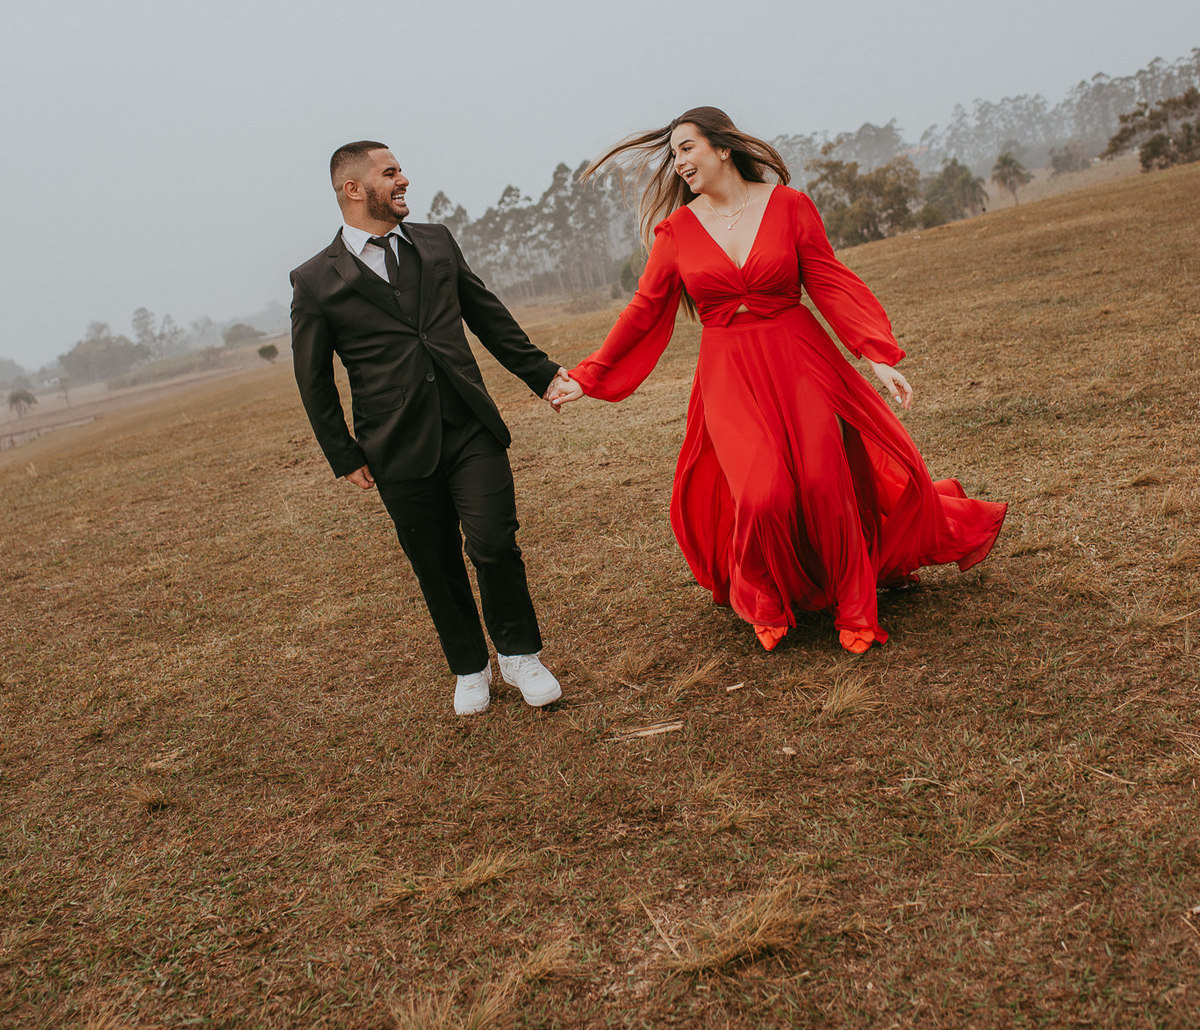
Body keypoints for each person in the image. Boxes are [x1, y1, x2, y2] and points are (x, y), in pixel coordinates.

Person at [546, 108, 1006, 655]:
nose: (679, 161)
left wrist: (876, 353)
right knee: (763, 494)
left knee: (823, 485)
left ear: (722, 148)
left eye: (687, 148)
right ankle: (764, 597)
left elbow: (829, 280)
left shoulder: (789, 206)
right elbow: (644, 311)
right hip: (728, 373)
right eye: (673, 153)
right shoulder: (676, 231)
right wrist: (588, 375)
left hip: (801, 359)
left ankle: (856, 607)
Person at [291, 141, 566, 715]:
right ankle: (470, 667)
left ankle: (520, 656)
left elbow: (486, 313)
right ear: (353, 189)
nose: (404, 180)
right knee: (435, 562)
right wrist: (344, 454)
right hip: (393, 444)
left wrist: (540, 375)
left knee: (494, 543)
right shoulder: (315, 280)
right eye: (390, 173)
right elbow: (313, 379)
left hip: (469, 425)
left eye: (400, 171)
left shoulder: (437, 242)